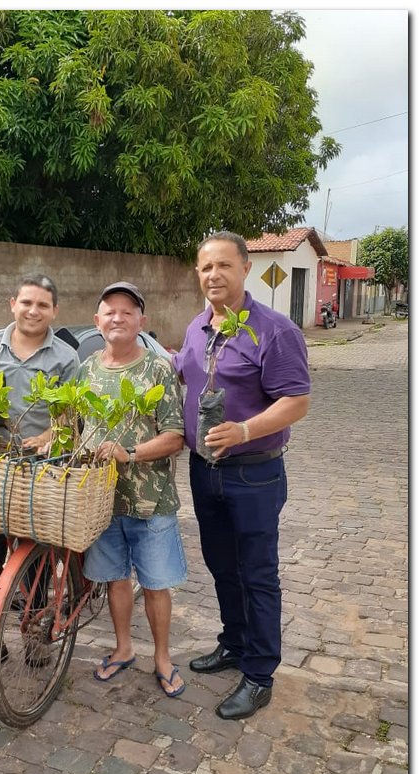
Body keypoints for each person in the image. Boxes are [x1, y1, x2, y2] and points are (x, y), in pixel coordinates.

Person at [173, 231, 310, 720]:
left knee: (257, 574)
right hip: (203, 471)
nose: (214, 275)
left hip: (253, 474)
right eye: (206, 267)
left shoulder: (275, 330)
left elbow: (297, 400)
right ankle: (233, 642)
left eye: (224, 266)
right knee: (221, 566)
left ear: (246, 268)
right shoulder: (197, 328)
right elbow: (183, 374)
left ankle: (258, 675)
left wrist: (245, 429)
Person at [0, 273, 80, 680]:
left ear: (54, 311)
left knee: (37, 553)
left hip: (39, 472)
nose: (33, 311)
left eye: (42, 305)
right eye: (26, 302)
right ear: (13, 303)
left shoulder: (65, 358)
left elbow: (70, 418)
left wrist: (51, 435)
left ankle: (34, 632)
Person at [79, 282, 187, 698]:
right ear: (97, 321)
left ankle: (162, 657)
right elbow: (76, 425)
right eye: (110, 311)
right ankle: (123, 648)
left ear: (141, 321)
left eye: (128, 312)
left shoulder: (157, 370)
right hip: (100, 499)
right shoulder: (87, 369)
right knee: (115, 579)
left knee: (156, 583)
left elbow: (176, 436)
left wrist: (129, 452)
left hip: (151, 499)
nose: (118, 318)